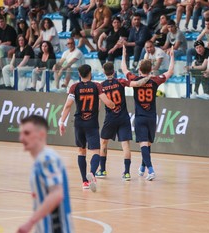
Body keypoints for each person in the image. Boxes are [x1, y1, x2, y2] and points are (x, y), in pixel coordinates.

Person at [121, 45, 175, 181]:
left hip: (140, 117)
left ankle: (150, 170)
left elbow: (124, 69)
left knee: (144, 144)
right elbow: (170, 72)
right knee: (147, 144)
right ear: (151, 69)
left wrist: (124, 55)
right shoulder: (155, 81)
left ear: (139, 70)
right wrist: (172, 56)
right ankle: (142, 167)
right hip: (151, 117)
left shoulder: (135, 79)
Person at [59, 64, 116, 191]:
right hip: (92, 123)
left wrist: (62, 122)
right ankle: (92, 172)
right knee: (96, 151)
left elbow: (68, 106)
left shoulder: (74, 87)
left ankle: (84, 182)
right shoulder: (96, 86)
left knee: (81, 151)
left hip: (79, 123)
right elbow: (107, 102)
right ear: (90, 73)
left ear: (79, 74)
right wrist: (113, 105)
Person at [17, 115, 74, 233]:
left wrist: (30, 223)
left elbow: (57, 194)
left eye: (26, 133)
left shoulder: (47, 159)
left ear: (42, 134)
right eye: (21, 133)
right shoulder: (40, 161)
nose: (21, 138)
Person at [97, 62, 152, 180]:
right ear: (114, 71)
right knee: (125, 145)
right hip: (123, 117)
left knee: (103, 143)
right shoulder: (121, 81)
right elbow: (137, 83)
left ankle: (102, 170)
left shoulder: (101, 86)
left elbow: (100, 104)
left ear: (104, 72)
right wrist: (148, 77)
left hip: (110, 118)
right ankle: (127, 173)